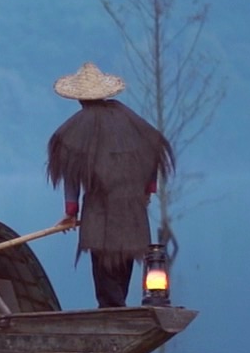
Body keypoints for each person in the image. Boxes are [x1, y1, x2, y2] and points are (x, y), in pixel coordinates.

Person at [45, 62, 175, 308]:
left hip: (100, 212)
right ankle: (119, 311)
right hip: (133, 211)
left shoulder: (76, 128)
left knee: (105, 279)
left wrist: (71, 212)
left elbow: (72, 177)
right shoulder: (130, 121)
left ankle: (112, 312)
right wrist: (148, 190)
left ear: (79, 98)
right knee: (122, 270)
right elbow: (152, 151)